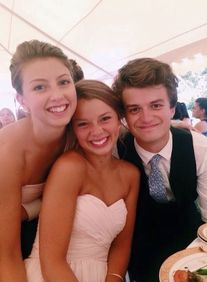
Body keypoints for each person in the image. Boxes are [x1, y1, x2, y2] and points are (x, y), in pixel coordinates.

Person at [112, 58, 207, 282]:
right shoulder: (114, 153)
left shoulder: (200, 148)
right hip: (138, 251)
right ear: (124, 116)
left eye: (156, 105)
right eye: (134, 109)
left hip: (192, 247)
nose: (146, 118)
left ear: (172, 108)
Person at [24, 79, 140, 282]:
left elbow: (122, 245)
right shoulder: (69, 168)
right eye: (83, 124)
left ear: (118, 118)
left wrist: (113, 278)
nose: (96, 131)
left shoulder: (131, 174)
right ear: (73, 129)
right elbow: (51, 260)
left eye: (105, 119)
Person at [0, 39, 77, 282]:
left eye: (63, 82)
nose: (57, 95)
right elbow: (6, 255)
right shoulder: (8, 153)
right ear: (21, 99)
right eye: (40, 87)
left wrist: (28, 211)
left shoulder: (77, 130)